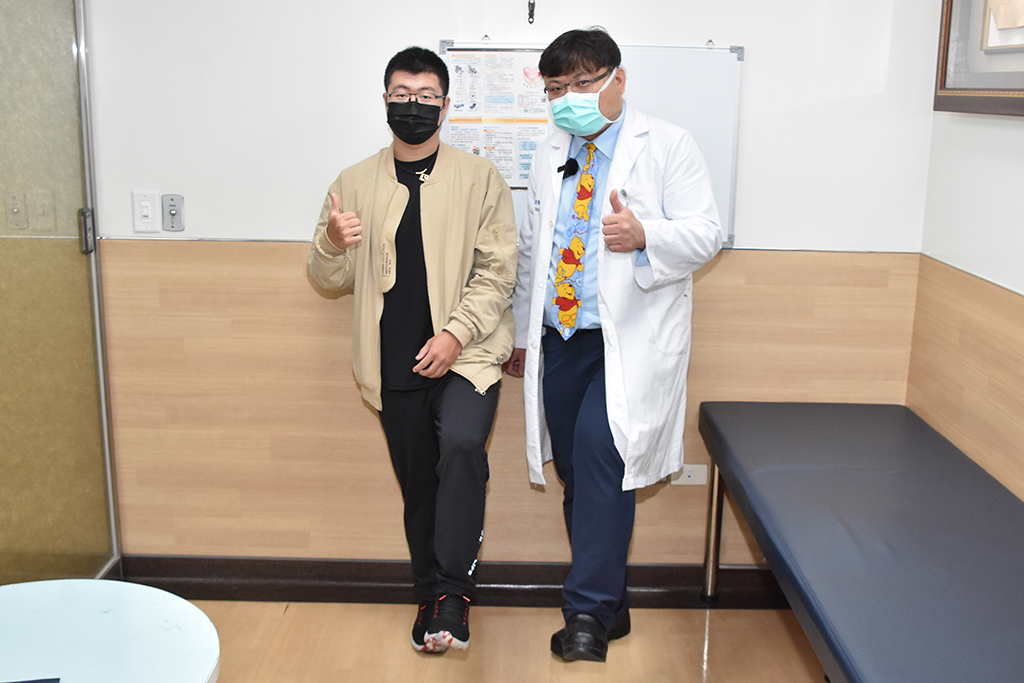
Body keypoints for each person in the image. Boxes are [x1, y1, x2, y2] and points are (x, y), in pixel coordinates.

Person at [504, 27, 722, 662]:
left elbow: (707, 232)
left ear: (618, 79)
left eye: (582, 83)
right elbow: (533, 249)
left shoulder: (669, 144)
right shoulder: (548, 150)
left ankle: (587, 615)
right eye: (556, 89)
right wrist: (522, 334)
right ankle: (611, 602)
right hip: (561, 337)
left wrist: (645, 234)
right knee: (578, 470)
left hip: (630, 339)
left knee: (603, 452)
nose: (568, 98)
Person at [306, 46, 517, 654]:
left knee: (462, 448)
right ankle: (428, 593)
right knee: (419, 488)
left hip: (467, 355)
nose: (414, 106)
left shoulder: (480, 178)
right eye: (403, 95)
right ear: (385, 100)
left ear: (446, 105)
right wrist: (332, 242)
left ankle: (454, 594)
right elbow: (326, 278)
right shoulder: (352, 182)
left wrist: (455, 335)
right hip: (393, 361)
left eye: (427, 97)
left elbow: (498, 272)